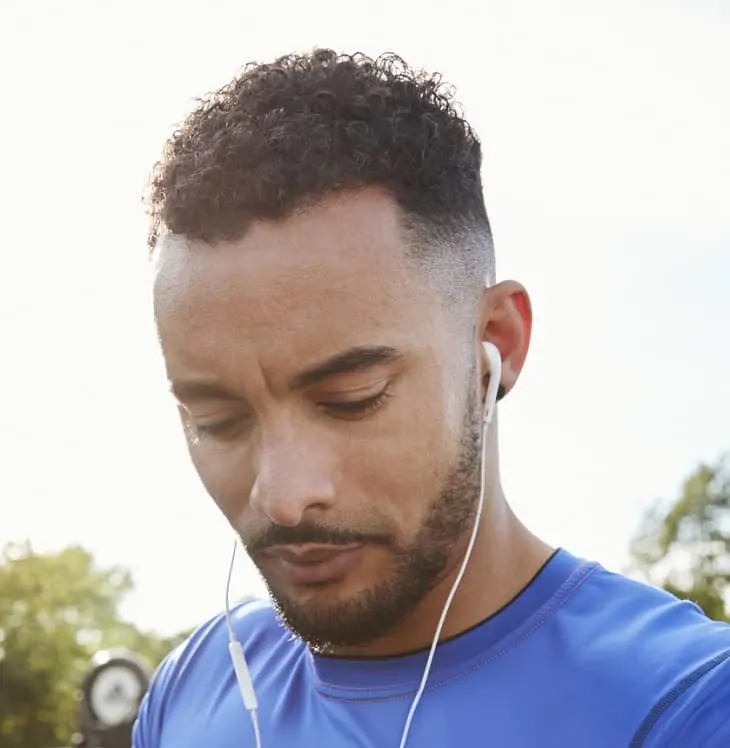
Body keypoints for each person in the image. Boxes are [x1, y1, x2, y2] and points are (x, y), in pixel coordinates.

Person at [133, 49, 730, 747]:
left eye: (352, 398)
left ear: (495, 345)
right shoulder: (190, 692)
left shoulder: (682, 706)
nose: (285, 498)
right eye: (217, 419)